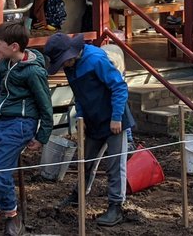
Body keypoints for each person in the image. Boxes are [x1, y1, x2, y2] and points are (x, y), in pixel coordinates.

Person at [44, 32, 133, 227]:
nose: (62, 66)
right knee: (86, 161)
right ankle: (78, 195)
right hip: (93, 120)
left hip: (113, 120)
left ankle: (116, 207)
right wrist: (81, 119)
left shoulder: (96, 60)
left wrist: (116, 117)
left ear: (71, 54)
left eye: (62, 62)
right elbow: (80, 94)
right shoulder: (71, 66)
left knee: (114, 165)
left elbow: (119, 87)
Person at [0, 21, 53, 236]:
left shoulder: (33, 73)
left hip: (21, 123)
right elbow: (0, 87)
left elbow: (45, 105)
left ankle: (11, 214)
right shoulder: (3, 65)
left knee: (0, 172)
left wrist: (42, 135)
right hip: (2, 121)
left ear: (13, 47)